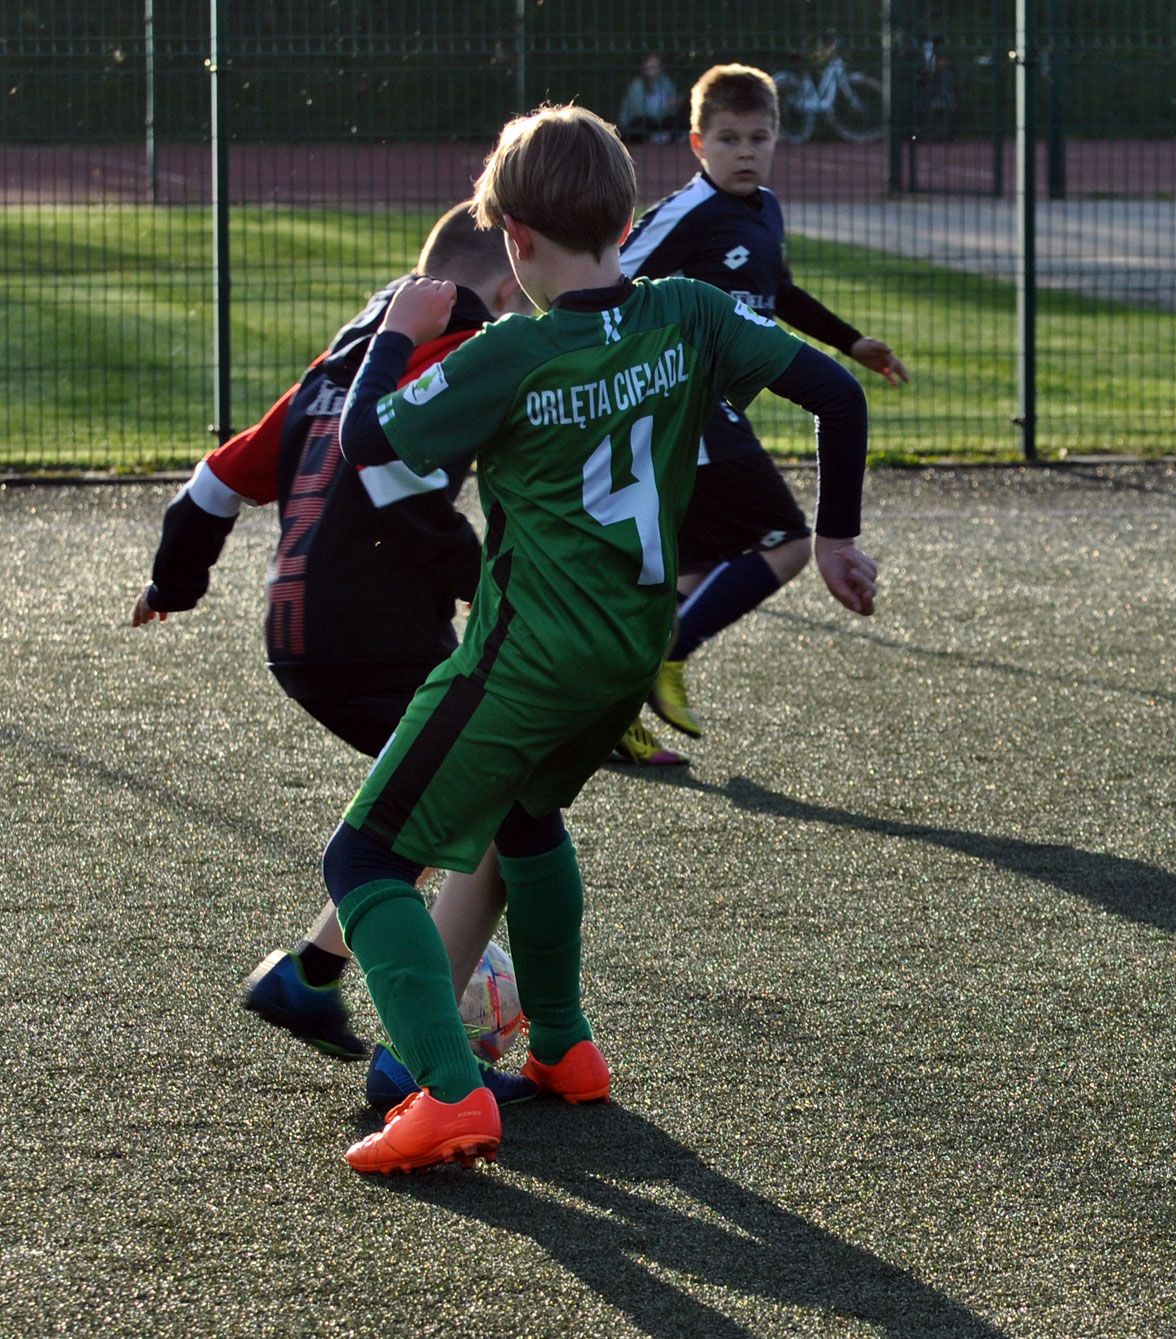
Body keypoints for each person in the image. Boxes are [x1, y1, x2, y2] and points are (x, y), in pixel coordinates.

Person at [326, 102, 878, 1174]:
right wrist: (837, 537)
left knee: (362, 856)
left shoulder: (515, 352)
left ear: (514, 241)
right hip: (631, 647)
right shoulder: (684, 311)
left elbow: (369, 447)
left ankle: (449, 1094)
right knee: (528, 825)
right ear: (625, 217)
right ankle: (567, 1047)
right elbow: (836, 392)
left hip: (531, 653)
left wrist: (397, 327)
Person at [130, 202, 558, 1108]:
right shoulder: (458, 350)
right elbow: (395, 485)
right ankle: (422, 1056)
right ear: (495, 288)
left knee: (413, 806)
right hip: (373, 634)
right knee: (495, 816)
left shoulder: (333, 371)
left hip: (297, 634)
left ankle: (308, 974)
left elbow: (211, 484)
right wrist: (495, 585)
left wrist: (174, 583)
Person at [620, 63, 908, 748]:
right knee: (785, 541)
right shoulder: (686, 213)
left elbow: (778, 291)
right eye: (727, 139)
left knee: (689, 570)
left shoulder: (766, 208)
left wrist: (850, 341)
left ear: (778, 139)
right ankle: (663, 660)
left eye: (758, 137)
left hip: (716, 416)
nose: (744, 151)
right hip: (681, 406)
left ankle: (612, 714)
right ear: (697, 144)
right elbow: (614, 278)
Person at [618, 52, 683, 144]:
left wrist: (674, 103)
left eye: (656, 67)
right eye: (651, 67)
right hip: (640, 121)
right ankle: (655, 137)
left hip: (659, 121)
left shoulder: (665, 81)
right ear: (644, 68)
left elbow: (672, 100)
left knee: (673, 122)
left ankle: (661, 137)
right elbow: (639, 112)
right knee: (642, 125)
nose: (653, 70)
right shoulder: (637, 86)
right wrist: (665, 107)